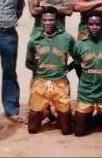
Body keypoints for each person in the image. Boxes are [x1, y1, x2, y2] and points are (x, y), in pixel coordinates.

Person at [28, 0, 73, 123]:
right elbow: (34, 11)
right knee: (37, 74)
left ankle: (59, 109)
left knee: (60, 74)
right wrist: (57, 6)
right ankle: (40, 109)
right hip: (39, 35)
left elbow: (69, 10)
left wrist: (45, 4)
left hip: (59, 36)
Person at [25, 7, 75, 135]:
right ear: (41, 21)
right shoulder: (34, 40)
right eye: (45, 20)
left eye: (51, 20)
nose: (48, 23)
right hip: (41, 83)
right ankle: (44, 111)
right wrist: (39, 73)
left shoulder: (67, 38)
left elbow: (78, 59)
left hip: (60, 83)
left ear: (56, 21)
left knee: (66, 130)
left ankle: (61, 112)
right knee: (32, 129)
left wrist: (65, 70)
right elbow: (28, 62)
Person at [72, 12, 102, 137]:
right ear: (86, 26)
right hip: (86, 93)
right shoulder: (79, 44)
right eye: (91, 24)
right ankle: (93, 117)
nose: (94, 27)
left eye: (98, 24)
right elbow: (78, 67)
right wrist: (85, 80)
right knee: (79, 132)